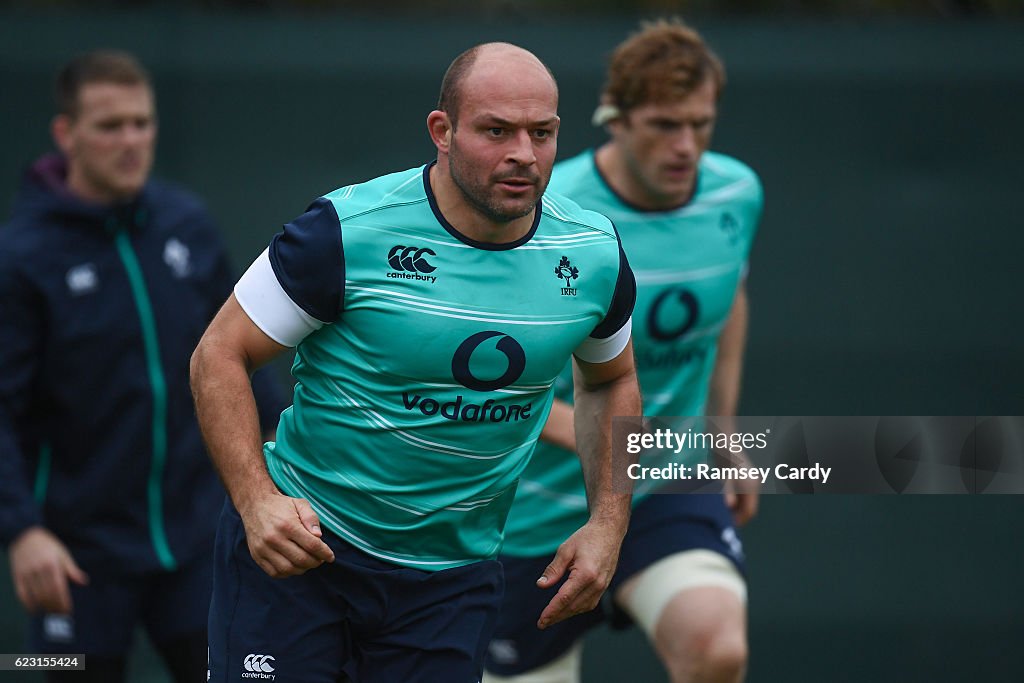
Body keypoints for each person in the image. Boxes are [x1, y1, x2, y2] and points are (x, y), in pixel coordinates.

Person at [189, 42, 641, 683]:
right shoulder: (346, 232)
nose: (523, 154)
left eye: (541, 133)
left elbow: (612, 380)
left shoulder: (593, 253)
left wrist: (607, 522)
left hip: (450, 582)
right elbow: (219, 354)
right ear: (443, 132)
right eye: (496, 131)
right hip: (305, 550)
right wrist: (256, 501)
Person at [484, 19, 764, 683]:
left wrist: (724, 433)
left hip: (666, 483)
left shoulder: (736, 193)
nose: (686, 145)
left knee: (716, 644)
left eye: (701, 124)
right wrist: (594, 437)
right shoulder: (548, 212)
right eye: (666, 124)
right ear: (615, 117)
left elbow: (728, 306)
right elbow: (488, 374)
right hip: (533, 512)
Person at [0, 50, 287, 682]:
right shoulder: (22, 257)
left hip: (194, 541)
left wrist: (281, 456)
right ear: (65, 133)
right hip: (77, 556)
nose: (131, 141)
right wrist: (21, 533)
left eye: (142, 123)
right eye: (110, 126)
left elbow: (235, 360)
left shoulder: (187, 225)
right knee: (43, 664)